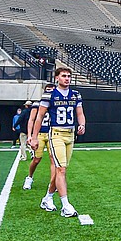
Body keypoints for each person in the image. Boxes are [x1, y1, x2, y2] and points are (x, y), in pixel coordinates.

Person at [30, 69, 85, 217]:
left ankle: (47, 198)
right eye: (64, 76)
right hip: (56, 134)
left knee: (61, 169)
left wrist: (82, 124)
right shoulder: (50, 94)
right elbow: (40, 116)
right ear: (57, 78)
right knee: (61, 170)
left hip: (70, 135)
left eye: (69, 76)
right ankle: (65, 206)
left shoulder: (76, 94)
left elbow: (79, 112)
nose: (67, 79)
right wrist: (34, 137)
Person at [22, 86, 54, 199]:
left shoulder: (56, 102)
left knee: (53, 159)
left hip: (52, 133)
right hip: (39, 133)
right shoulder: (38, 103)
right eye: (48, 90)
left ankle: (53, 183)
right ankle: (29, 177)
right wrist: (30, 135)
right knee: (37, 159)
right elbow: (32, 119)